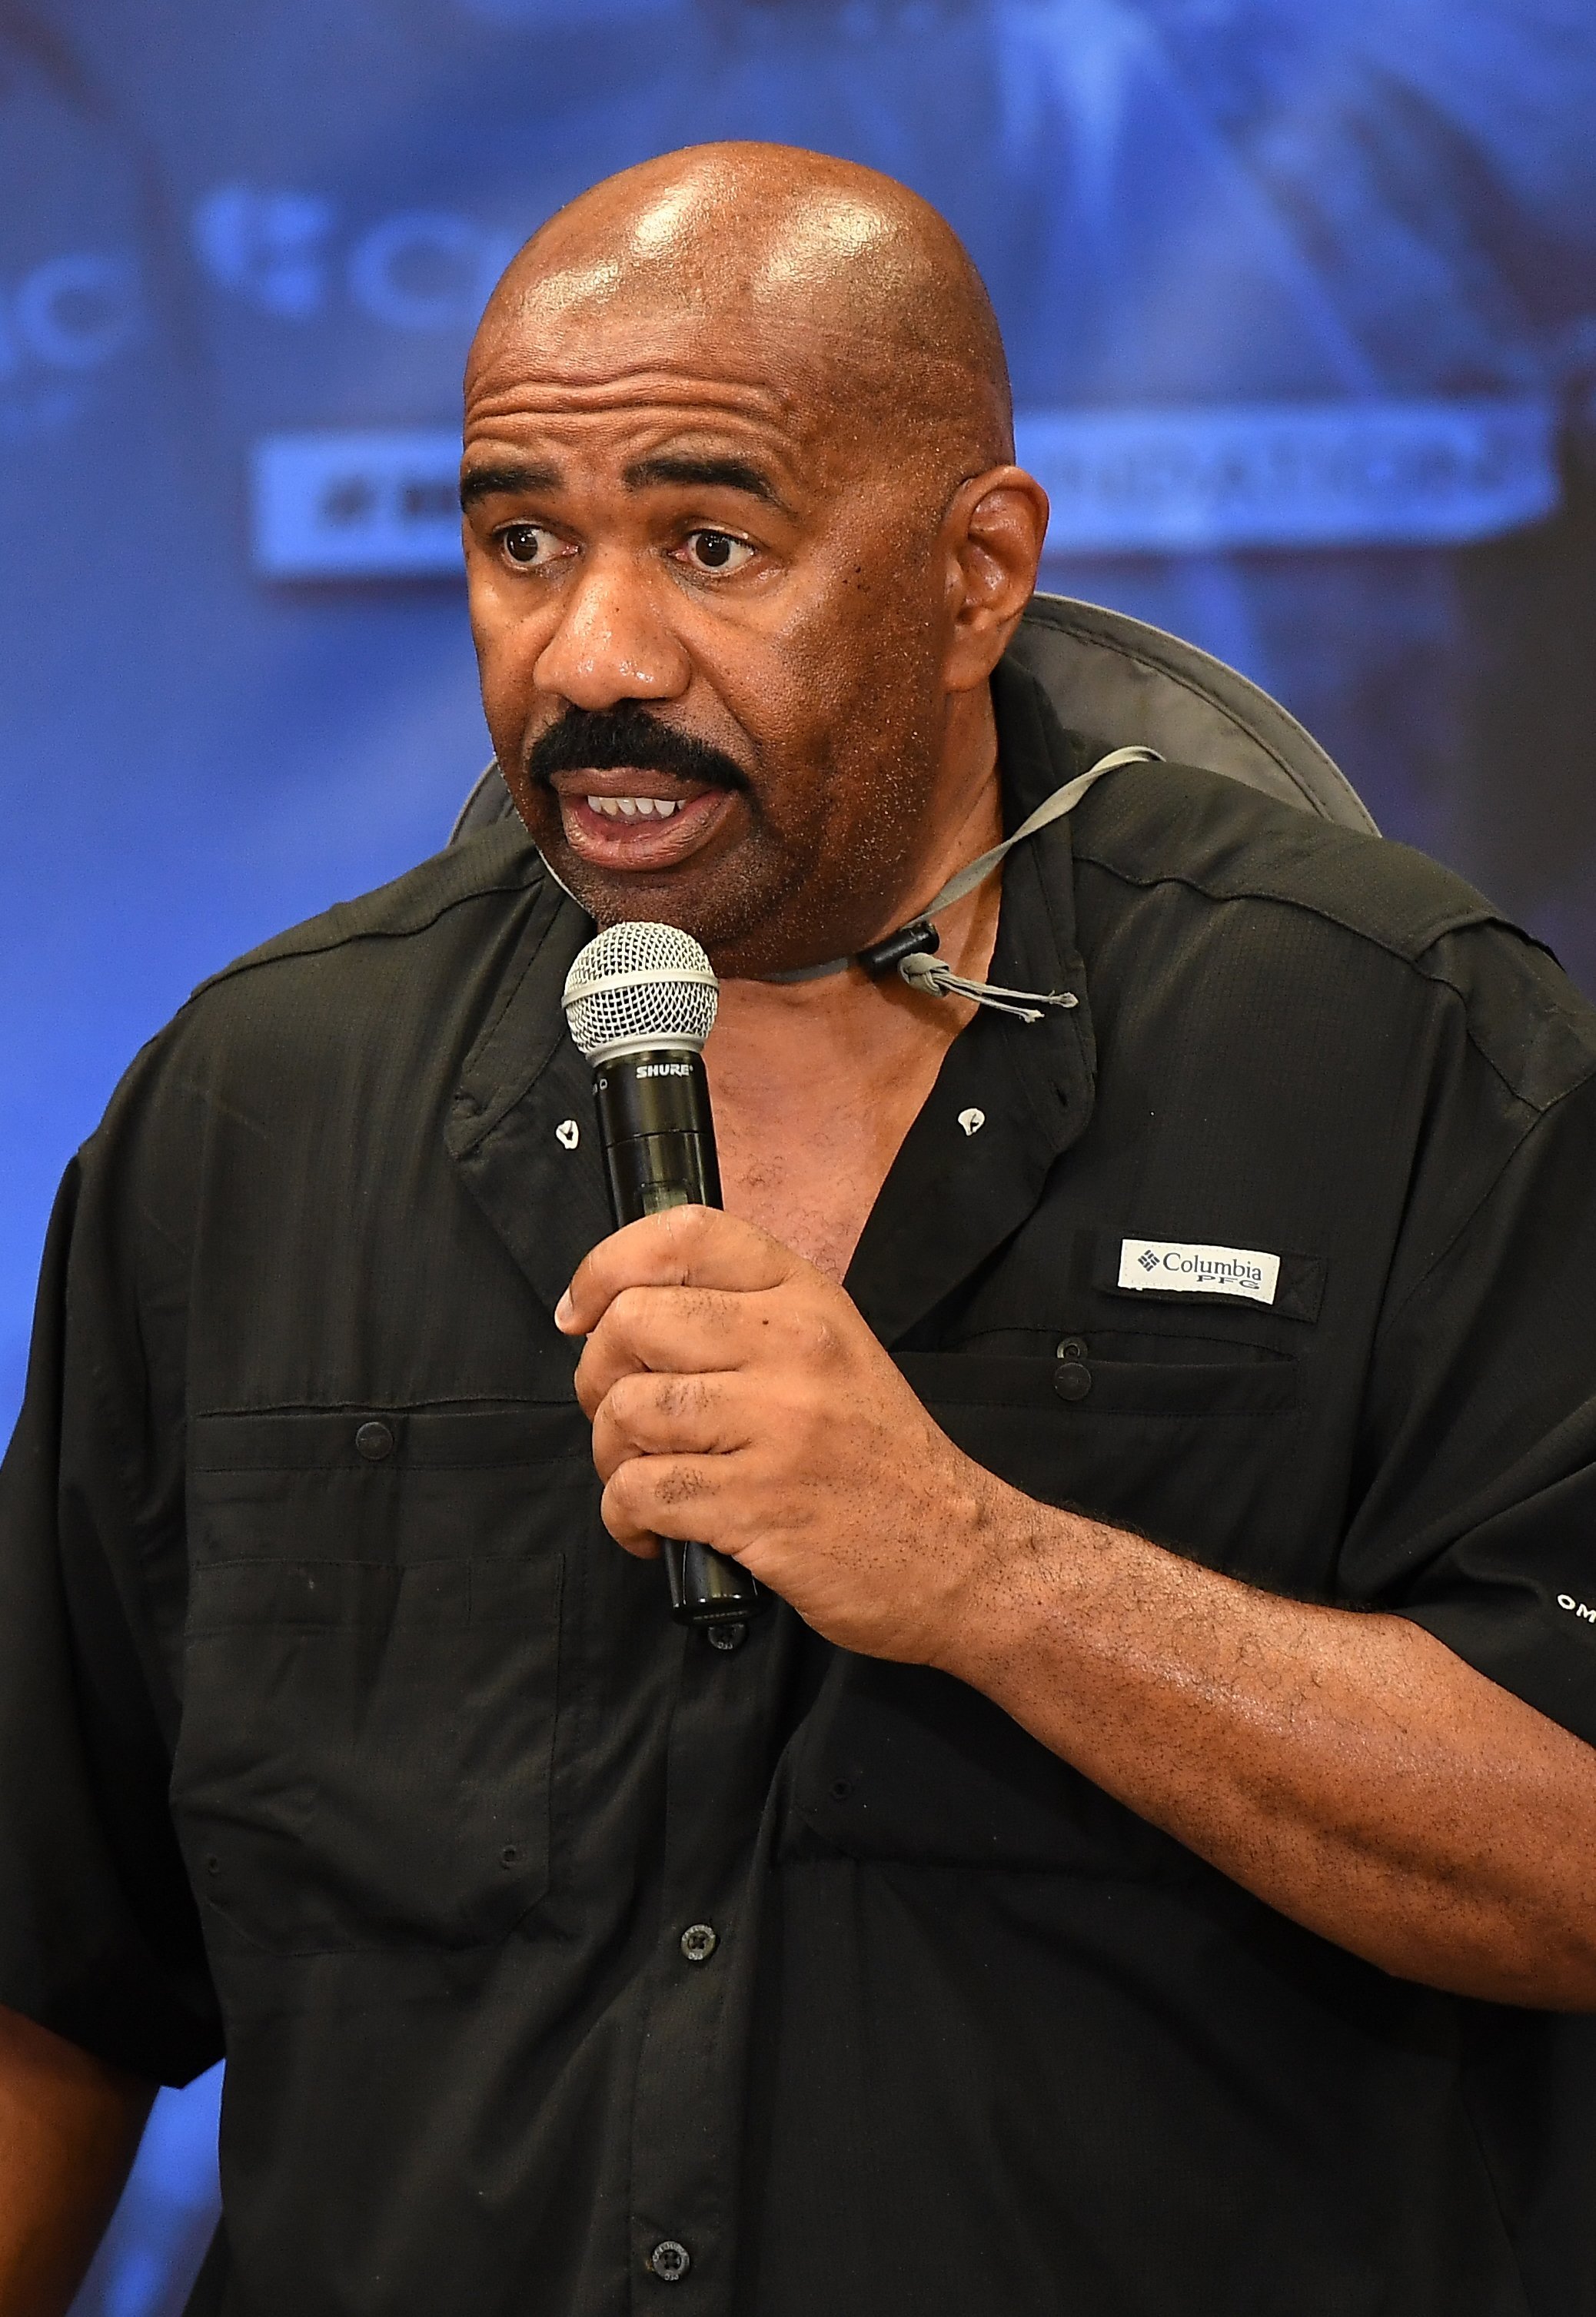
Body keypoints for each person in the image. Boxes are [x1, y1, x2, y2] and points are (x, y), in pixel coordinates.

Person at [3, 141, 1596, 2317]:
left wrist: (980, 1570)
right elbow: (46, 1976)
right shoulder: (258, 1106)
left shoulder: (1391, 1045)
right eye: (520, 541)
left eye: (712, 541)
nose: (592, 652)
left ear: (973, 574)